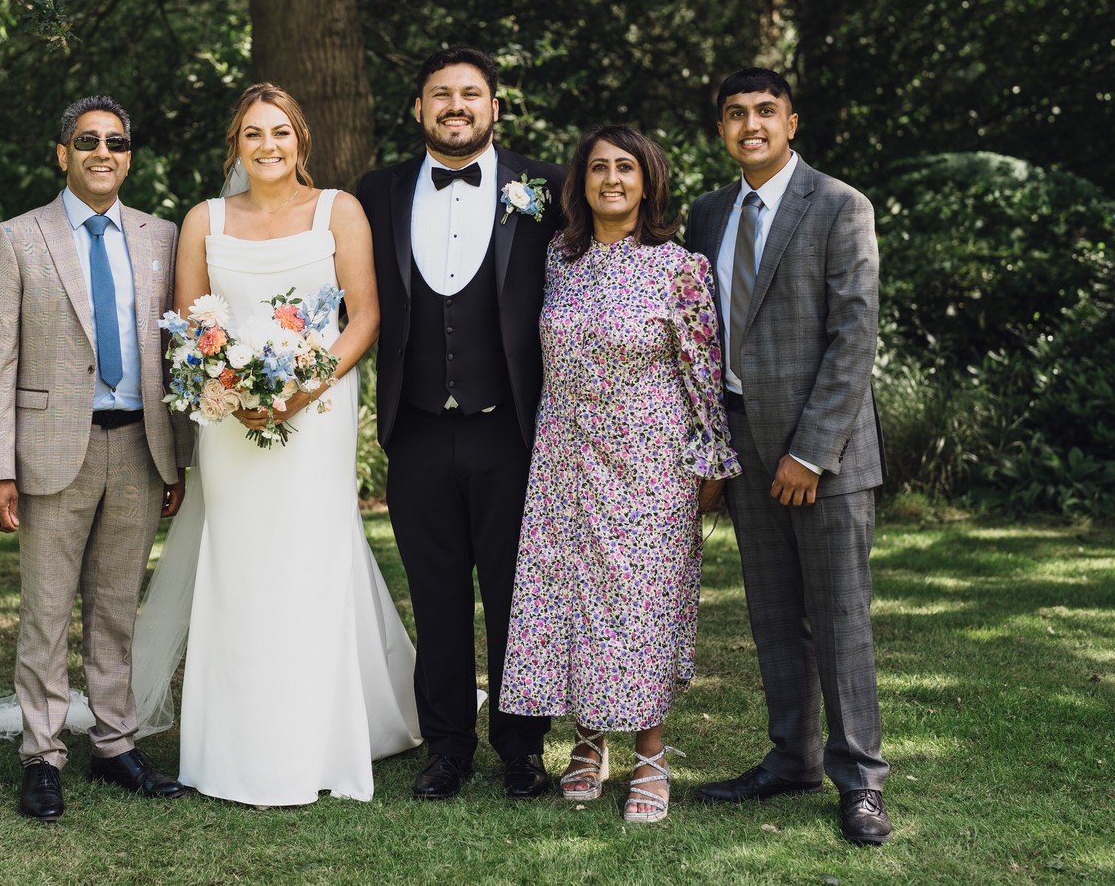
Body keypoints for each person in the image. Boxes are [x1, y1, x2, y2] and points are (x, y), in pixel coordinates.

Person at [161, 82, 421, 806]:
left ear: (300, 140)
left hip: (318, 410)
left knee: (311, 555)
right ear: (235, 146)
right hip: (229, 418)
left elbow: (364, 317)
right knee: (238, 561)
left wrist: (302, 388)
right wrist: (231, 387)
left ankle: (319, 739)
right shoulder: (205, 219)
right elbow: (188, 324)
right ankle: (234, 740)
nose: (267, 145)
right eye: (253, 133)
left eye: (279, 132)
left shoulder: (340, 210)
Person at [499, 125, 740, 823]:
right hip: (564, 460)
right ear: (581, 182)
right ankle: (587, 740)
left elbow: (703, 372)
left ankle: (651, 754)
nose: (611, 178)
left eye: (625, 167)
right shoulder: (557, 258)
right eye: (599, 167)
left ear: (647, 180)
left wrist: (712, 463)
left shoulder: (679, 267)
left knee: (640, 606)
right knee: (571, 597)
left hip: (649, 462)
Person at [684, 68, 892, 844]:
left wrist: (810, 451)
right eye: (736, 114)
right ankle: (792, 758)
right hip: (741, 441)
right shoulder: (708, 214)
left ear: (791, 122)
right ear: (721, 130)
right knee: (773, 614)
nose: (751, 125)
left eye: (765, 111)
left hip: (823, 452)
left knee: (838, 617)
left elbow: (854, 335)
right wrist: (710, 449)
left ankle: (861, 780)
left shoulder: (839, 205)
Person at [0, 95, 193, 822]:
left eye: (117, 142)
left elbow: (179, 352)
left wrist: (178, 457)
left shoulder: (163, 237)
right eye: (88, 140)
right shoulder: (17, 238)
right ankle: (42, 755)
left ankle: (115, 744)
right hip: (49, 451)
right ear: (62, 153)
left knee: (116, 607)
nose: (104, 152)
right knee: (46, 610)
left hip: (140, 446)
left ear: (130, 156)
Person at [355, 47, 564, 800]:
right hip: (414, 427)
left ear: (494, 108)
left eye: (470, 94)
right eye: (440, 94)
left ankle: (521, 748)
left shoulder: (545, 187)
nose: (455, 106)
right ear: (418, 108)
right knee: (436, 595)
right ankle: (446, 746)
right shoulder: (375, 192)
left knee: (516, 595)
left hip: (510, 428)